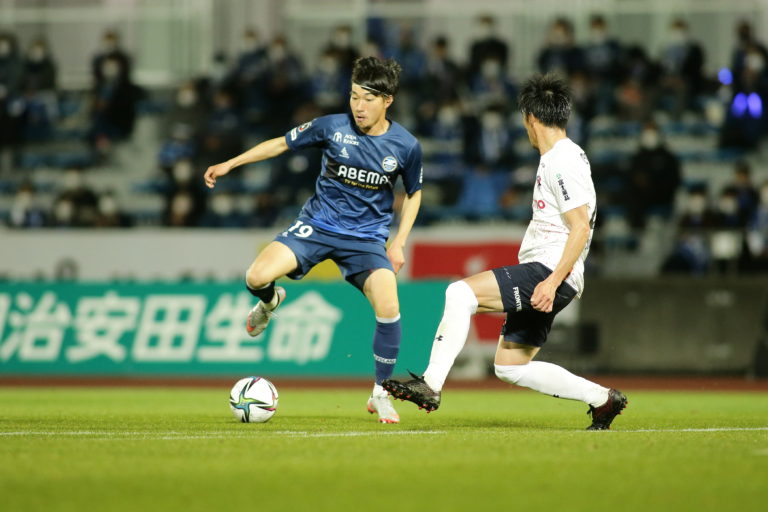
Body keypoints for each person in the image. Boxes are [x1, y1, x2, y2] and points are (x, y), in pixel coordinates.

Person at [383, 74, 627, 430]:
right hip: (555, 273)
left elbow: (580, 227)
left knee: (460, 293)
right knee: (510, 366)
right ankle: (603, 399)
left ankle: (431, 384)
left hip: (549, 271)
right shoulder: (563, 156)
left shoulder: (562, 160)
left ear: (531, 118)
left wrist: (552, 281)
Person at [203, 57, 423, 424]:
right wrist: (230, 164)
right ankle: (270, 302)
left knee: (388, 304)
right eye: (353, 96)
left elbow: (414, 193)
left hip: (366, 239)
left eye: (368, 99)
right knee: (256, 277)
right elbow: (280, 144)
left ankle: (381, 393)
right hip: (318, 226)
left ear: (388, 101)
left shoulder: (406, 145)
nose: (359, 106)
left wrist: (398, 241)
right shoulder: (331, 127)